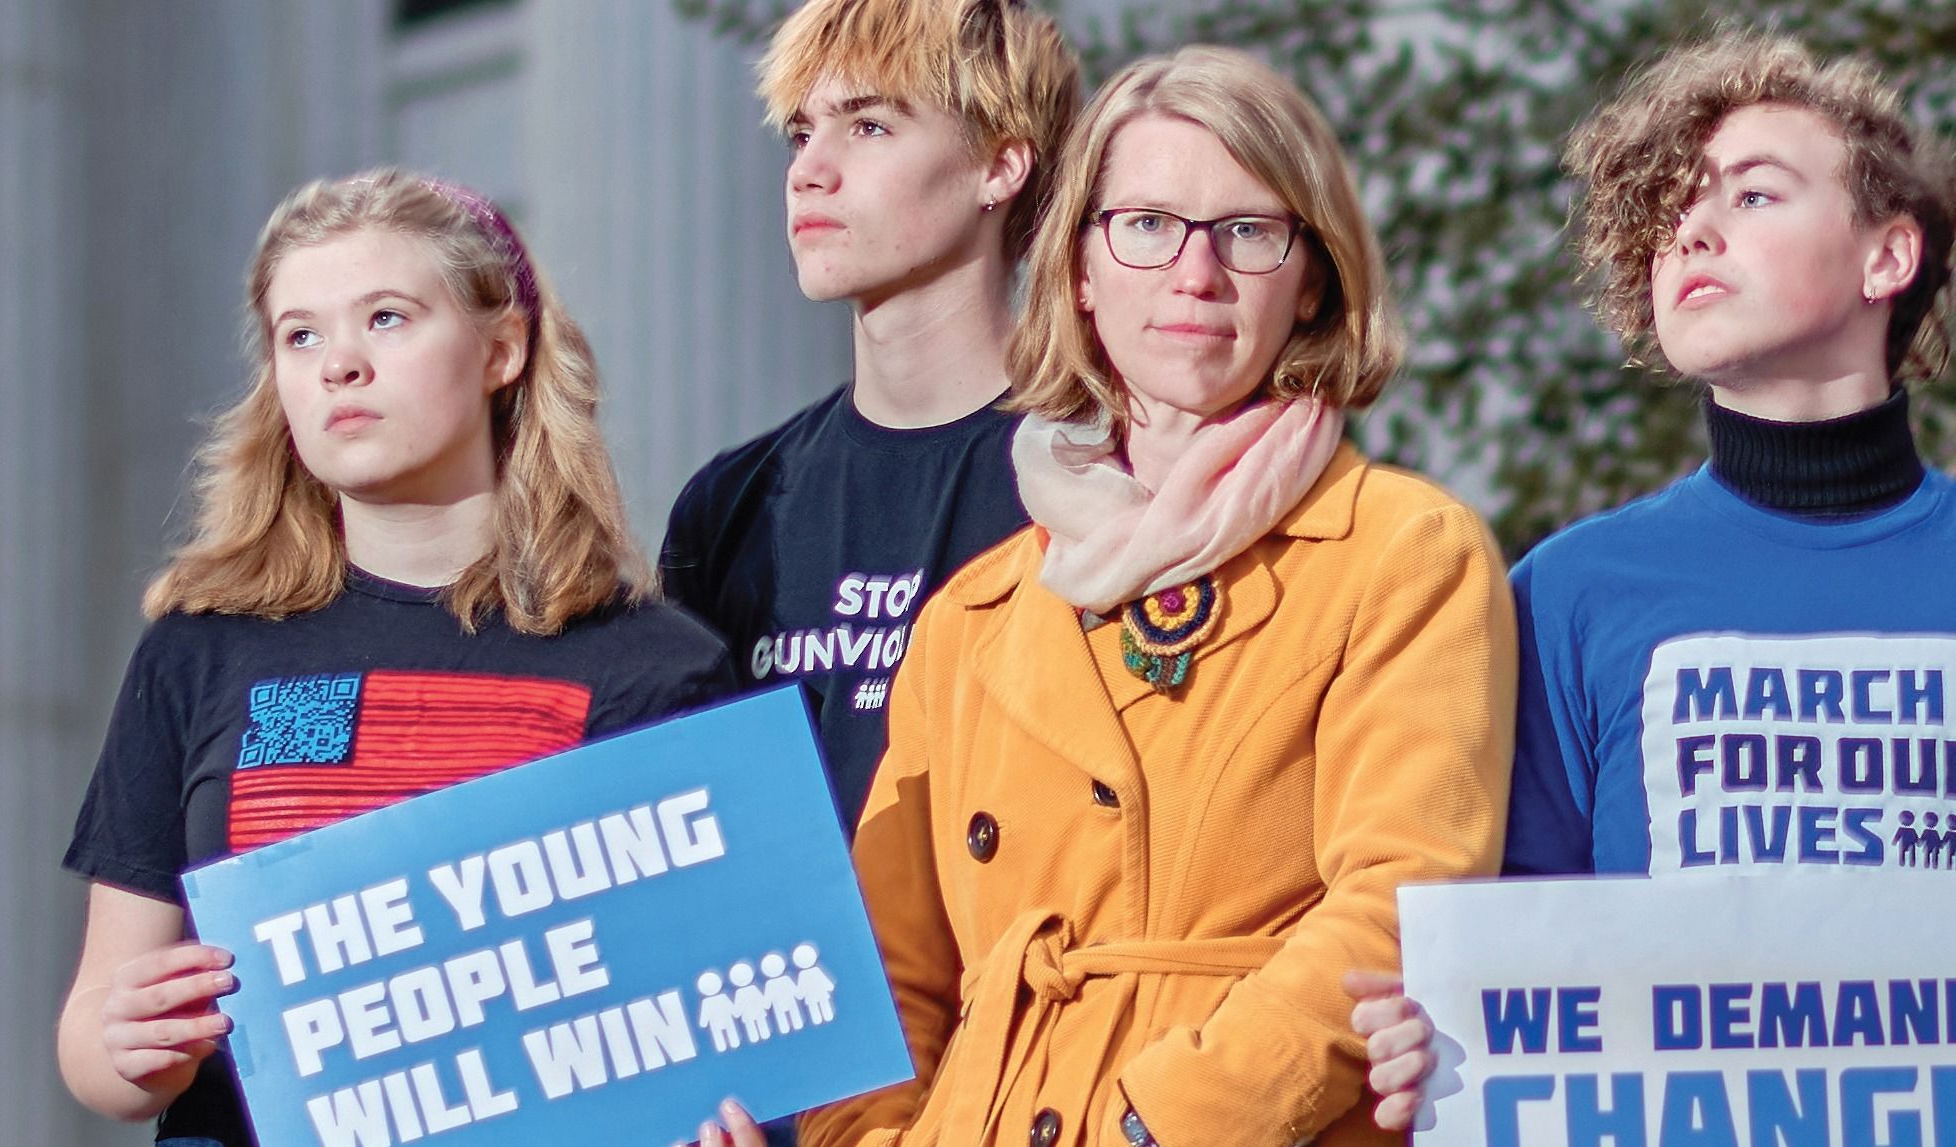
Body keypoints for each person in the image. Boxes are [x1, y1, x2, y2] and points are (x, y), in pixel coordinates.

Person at [786, 46, 1516, 1147]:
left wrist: (1155, 1124)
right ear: (1079, 267)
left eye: (1247, 231)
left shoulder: (1401, 552)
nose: (1194, 275)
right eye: (1145, 225)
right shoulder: (972, 614)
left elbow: (1397, 905)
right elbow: (884, 984)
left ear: (1310, 276)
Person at [1347, 30, 1956, 1130]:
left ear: (1885, 257)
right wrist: (1428, 1032)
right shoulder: (1568, 594)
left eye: (1755, 195)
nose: (1694, 229)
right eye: (1675, 210)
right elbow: (1514, 963)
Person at [55, 170, 733, 1147]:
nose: (339, 364)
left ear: (502, 350)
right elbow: (95, 1031)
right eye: (301, 334)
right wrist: (124, 1049)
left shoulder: (651, 666)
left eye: (385, 318)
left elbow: (704, 1022)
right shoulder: (200, 649)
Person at [658, 0, 1080, 836]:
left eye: (870, 127)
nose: (809, 169)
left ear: (1000, 165)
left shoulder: (1094, 472)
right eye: (800, 132)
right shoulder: (731, 504)